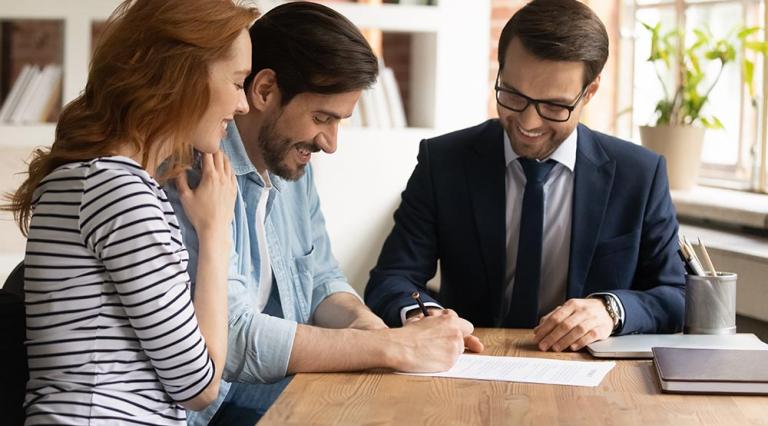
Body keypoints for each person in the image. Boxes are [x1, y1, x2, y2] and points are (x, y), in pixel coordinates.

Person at [164, 2, 482, 424]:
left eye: (339, 122)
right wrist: (392, 348)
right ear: (263, 90)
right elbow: (233, 339)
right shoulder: (192, 175)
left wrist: (376, 331)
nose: (330, 143)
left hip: (271, 391)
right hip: (209, 410)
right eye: (321, 118)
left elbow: (321, 281)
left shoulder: (292, 165)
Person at [365, 0, 686, 353]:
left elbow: (677, 295)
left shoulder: (639, 174)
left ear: (589, 92)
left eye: (553, 106)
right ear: (500, 72)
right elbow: (392, 278)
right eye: (513, 95)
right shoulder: (443, 161)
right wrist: (424, 318)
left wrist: (610, 309)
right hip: (471, 362)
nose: (528, 123)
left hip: (594, 377)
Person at [3, 0, 258, 423]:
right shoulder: (118, 192)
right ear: (183, 77)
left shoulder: (96, 179)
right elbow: (199, 387)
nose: (243, 104)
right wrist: (215, 234)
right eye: (236, 82)